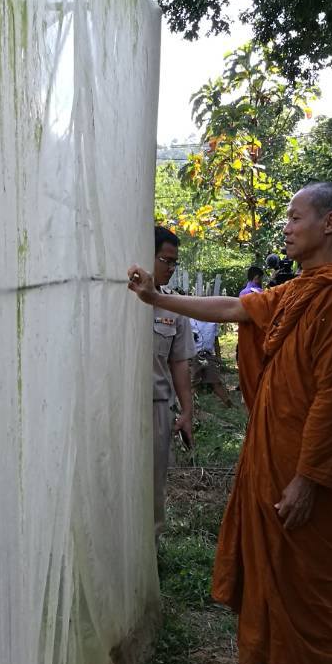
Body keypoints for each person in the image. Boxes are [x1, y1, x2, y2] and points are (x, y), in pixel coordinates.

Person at [127, 184, 332, 664]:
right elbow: (236, 308)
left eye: (295, 216)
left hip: (309, 467)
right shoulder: (299, 289)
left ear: (328, 223)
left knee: (313, 577)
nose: (286, 227)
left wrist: (309, 478)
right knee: (273, 572)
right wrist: (155, 298)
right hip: (272, 455)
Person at [151, 227, 195, 538]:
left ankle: (149, 551)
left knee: (154, 484)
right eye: (165, 260)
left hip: (156, 407)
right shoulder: (113, 299)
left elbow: (179, 362)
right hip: (113, 405)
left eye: (174, 262)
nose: (171, 268)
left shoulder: (174, 307)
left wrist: (187, 411)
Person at [191, 316, 234, 407]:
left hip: (208, 355)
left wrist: (218, 357)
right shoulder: (189, 320)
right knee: (193, 382)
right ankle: (191, 406)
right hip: (193, 355)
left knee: (216, 381)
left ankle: (229, 404)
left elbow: (215, 339)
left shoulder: (213, 321)